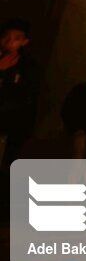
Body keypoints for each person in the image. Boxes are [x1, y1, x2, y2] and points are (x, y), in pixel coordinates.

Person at [0, 19, 40, 167]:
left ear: (24, 42)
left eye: (16, 38)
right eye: (6, 37)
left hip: (12, 124)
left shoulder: (28, 65)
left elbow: (29, 97)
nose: (9, 42)